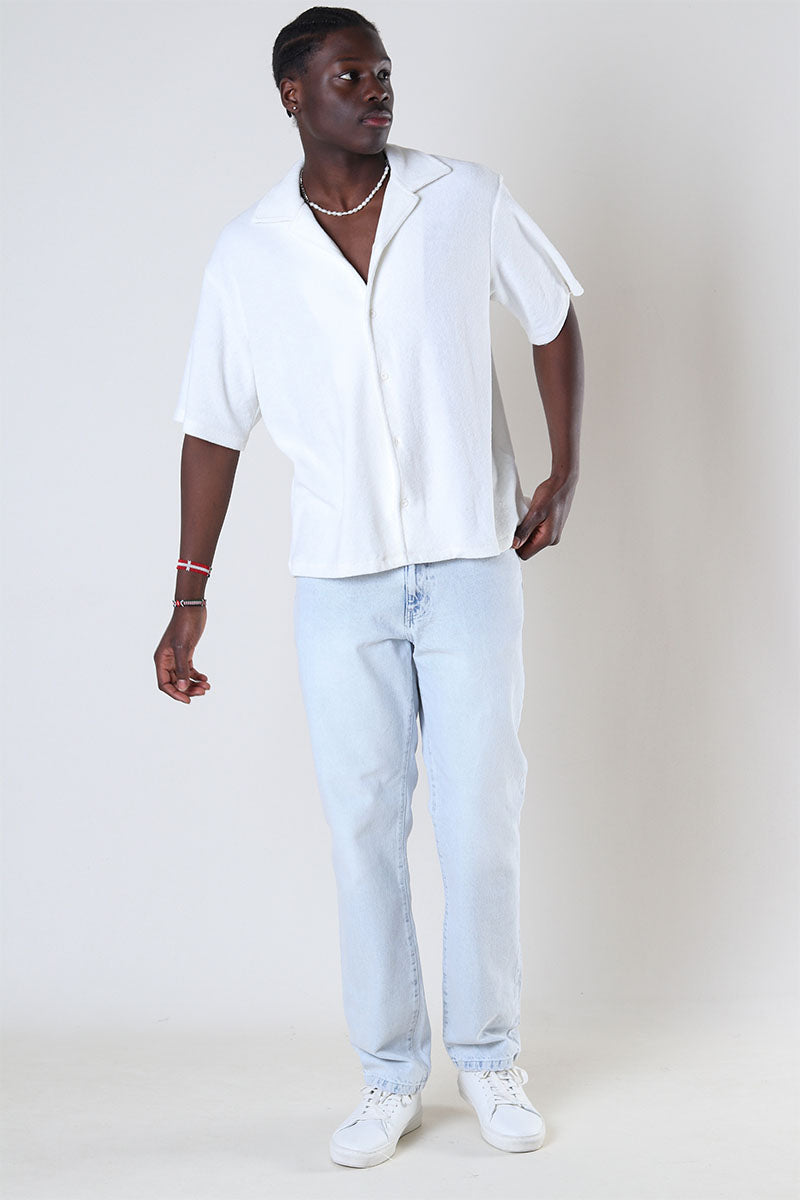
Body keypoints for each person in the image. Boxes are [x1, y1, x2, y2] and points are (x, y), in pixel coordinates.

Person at [154, 4, 585, 1170]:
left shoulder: (463, 199)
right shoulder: (249, 251)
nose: (376, 89)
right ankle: (389, 1075)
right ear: (292, 94)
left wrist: (562, 470)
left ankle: (487, 1056)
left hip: (466, 561)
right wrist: (189, 594)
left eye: (382, 71)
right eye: (348, 75)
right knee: (361, 831)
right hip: (338, 581)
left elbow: (551, 313)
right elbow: (211, 426)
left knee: (479, 816)